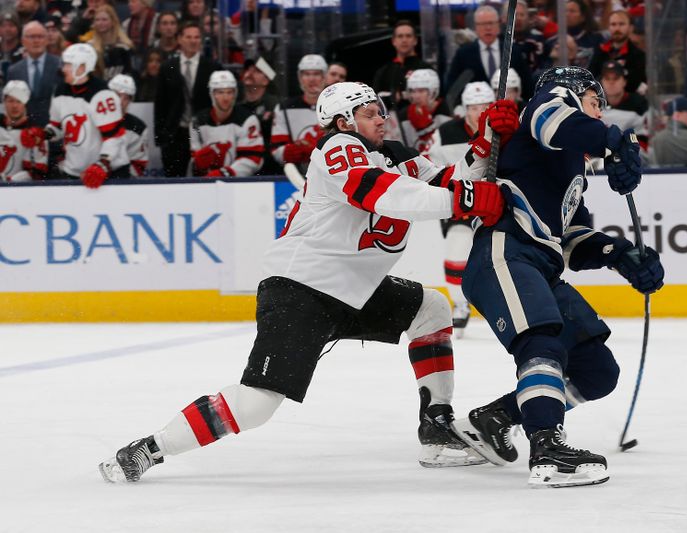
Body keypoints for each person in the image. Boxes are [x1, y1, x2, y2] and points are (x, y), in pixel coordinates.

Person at [98, 81, 518, 483]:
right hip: (301, 289)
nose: (382, 119)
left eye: (382, 111)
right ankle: (150, 448)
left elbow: (456, 181)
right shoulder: (337, 149)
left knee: (431, 307)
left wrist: (484, 142)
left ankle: (437, 427)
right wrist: (462, 200)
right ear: (342, 122)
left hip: (353, 291)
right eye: (369, 113)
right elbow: (379, 193)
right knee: (256, 404)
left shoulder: (397, 155)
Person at [449, 66, 664, 488]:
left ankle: (497, 417)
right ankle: (547, 444)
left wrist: (622, 256)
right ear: (572, 91)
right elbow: (556, 119)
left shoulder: (571, 166)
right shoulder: (543, 111)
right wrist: (613, 141)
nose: (600, 114)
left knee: (596, 370)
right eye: (596, 103)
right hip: (505, 251)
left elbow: (572, 239)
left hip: (541, 265)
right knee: (542, 341)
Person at [426, 81, 510, 338]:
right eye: (473, 107)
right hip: (462, 201)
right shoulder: (446, 132)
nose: (478, 112)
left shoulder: (502, 129)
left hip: (497, 201)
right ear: (464, 109)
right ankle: (460, 304)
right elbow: (428, 164)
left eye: (484, 106)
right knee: (456, 245)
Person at [21, 43, 129, 187]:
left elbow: (114, 137)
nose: (63, 69)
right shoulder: (60, 90)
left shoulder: (103, 95)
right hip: (74, 172)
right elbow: (58, 128)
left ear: (83, 67)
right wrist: (41, 134)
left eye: (68, 65)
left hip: (109, 173)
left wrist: (103, 165)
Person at [154, 21, 221, 177]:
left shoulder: (212, 67)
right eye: (189, 37)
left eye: (197, 37)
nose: (193, 41)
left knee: (204, 178)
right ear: (180, 39)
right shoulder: (167, 67)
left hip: (204, 133)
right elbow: (160, 105)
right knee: (174, 180)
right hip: (174, 135)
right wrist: (161, 138)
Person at [445, 5, 533, 100]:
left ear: (498, 25)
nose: (487, 28)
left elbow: (527, 84)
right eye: (482, 24)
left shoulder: (513, 50)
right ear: (476, 27)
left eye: (491, 23)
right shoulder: (463, 54)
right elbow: (452, 86)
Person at [189, 70, 263, 178]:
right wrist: (198, 164)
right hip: (207, 183)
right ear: (212, 94)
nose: (226, 98)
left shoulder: (247, 120)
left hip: (240, 184)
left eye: (229, 92)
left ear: (235, 94)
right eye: (220, 92)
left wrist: (225, 173)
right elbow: (194, 161)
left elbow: (253, 159)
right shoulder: (197, 121)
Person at [269, 54, 327, 172]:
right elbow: (277, 151)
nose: (311, 79)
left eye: (316, 74)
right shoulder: (284, 108)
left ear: (324, 77)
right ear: (300, 78)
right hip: (296, 176)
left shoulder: (337, 105)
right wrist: (297, 151)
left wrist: (309, 150)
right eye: (306, 74)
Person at [6, 21, 61, 126]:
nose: (36, 41)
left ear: (46, 40)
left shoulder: (60, 65)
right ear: (23, 41)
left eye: (40, 37)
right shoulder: (14, 70)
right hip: (24, 132)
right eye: (31, 37)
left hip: (54, 130)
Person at [372, 20, 433, 109]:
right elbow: (375, 101)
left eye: (408, 36)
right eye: (400, 36)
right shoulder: (383, 72)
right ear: (393, 41)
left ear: (415, 40)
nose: (404, 40)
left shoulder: (426, 70)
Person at [588, 10, 646, 94]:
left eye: (621, 24)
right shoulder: (600, 51)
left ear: (630, 28)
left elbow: (637, 84)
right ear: (609, 27)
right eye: (613, 24)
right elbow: (590, 76)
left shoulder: (638, 55)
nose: (617, 28)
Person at [0, 80, 48, 181]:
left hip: (20, 192)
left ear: (26, 103)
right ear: (4, 101)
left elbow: (38, 174)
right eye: (11, 100)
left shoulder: (35, 131)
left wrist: (12, 181)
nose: (14, 106)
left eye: (19, 101)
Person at [240, 57, 280, 174]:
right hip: (243, 166)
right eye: (247, 69)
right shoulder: (235, 105)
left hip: (270, 168)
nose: (249, 73)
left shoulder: (274, 105)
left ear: (266, 80)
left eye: (257, 71)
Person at [399, 69, 451, 154]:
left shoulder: (448, 113)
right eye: (412, 91)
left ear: (433, 92)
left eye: (421, 91)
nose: (416, 96)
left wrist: (426, 129)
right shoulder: (404, 116)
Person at [108, 74, 149, 177]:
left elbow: (138, 165)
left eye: (126, 98)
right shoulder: (92, 119)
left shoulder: (138, 127)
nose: (120, 102)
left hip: (122, 183)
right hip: (89, 179)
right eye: (117, 95)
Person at [598, 59, 647, 136]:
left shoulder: (640, 104)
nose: (611, 82)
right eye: (607, 79)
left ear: (624, 82)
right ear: (601, 82)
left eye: (615, 78)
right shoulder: (594, 104)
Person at [88, 4, 134, 81]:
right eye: (97, 20)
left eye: (104, 19)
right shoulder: (89, 47)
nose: (100, 23)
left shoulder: (124, 46)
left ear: (113, 21)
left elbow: (130, 73)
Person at [122, 0, 158, 70]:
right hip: (132, 61)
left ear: (144, 4)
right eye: (129, 2)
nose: (129, 5)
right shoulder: (126, 24)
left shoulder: (157, 21)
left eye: (133, 1)